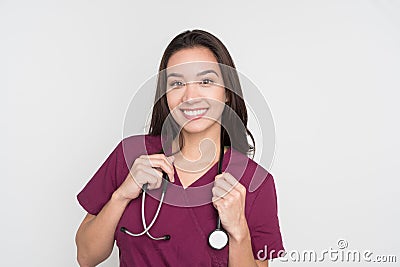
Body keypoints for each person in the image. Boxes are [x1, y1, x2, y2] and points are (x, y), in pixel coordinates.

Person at [75, 29, 285, 267]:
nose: (190, 96)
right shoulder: (131, 155)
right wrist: (122, 195)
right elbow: (86, 257)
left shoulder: (254, 181)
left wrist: (239, 232)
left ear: (227, 92)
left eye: (206, 81)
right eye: (177, 83)